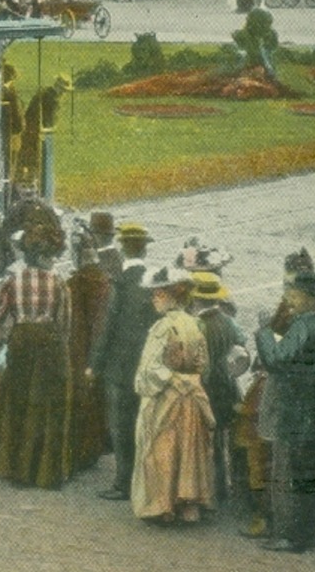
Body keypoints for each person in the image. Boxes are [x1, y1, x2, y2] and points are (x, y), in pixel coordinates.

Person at [0, 212, 75, 489]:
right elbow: (65, 324)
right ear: (46, 256)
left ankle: (15, 468)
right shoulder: (60, 284)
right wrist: (59, 346)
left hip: (21, 343)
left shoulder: (12, 281)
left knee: (17, 406)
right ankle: (44, 472)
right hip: (51, 348)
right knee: (47, 409)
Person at [254, 266, 315, 553]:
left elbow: (277, 360)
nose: (289, 299)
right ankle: (304, 533)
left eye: (294, 294)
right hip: (313, 409)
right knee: (306, 474)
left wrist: (264, 332)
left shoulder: (302, 326)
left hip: (292, 411)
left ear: (309, 298)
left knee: (285, 473)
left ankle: (287, 534)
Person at [131, 273, 216, 523]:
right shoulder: (195, 324)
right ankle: (188, 506)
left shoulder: (163, 327)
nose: (154, 300)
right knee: (188, 448)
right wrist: (189, 381)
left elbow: (150, 368)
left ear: (170, 297)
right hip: (191, 397)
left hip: (167, 397)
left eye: (158, 295)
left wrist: (172, 380)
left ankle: (162, 505)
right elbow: (203, 364)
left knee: (161, 449)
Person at [87, 221, 156, 500]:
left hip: (118, 366)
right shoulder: (153, 282)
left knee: (120, 425)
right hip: (146, 365)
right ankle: (144, 480)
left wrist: (95, 363)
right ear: (144, 250)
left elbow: (108, 327)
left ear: (123, 248)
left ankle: (123, 482)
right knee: (143, 424)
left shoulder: (121, 283)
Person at [188, 270, 246, 505]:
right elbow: (241, 347)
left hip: (207, 390)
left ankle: (206, 493)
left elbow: (201, 366)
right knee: (220, 442)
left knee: (203, 444)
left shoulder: (198, 325)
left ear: (196, 299)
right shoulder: (227, 321)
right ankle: (221, 488)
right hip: (228, 389)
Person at [66, 229, 113, 471]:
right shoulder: (104, 280)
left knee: (81, 397)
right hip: (96, 349)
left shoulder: (76, 283)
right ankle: (98, 444)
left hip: (79, 349)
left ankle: (82, 449)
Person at [14, 73, 71, 190]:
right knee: (35, 163)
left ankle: (27, 183)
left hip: (29, 131)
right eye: (63, 90)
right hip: (36, 134)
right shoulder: (52, 98)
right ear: (59, 88)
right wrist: (50, 128)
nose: (64, 93)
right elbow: (48, 121)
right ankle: (33, 186)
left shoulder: (44, 93)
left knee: (27, 161)